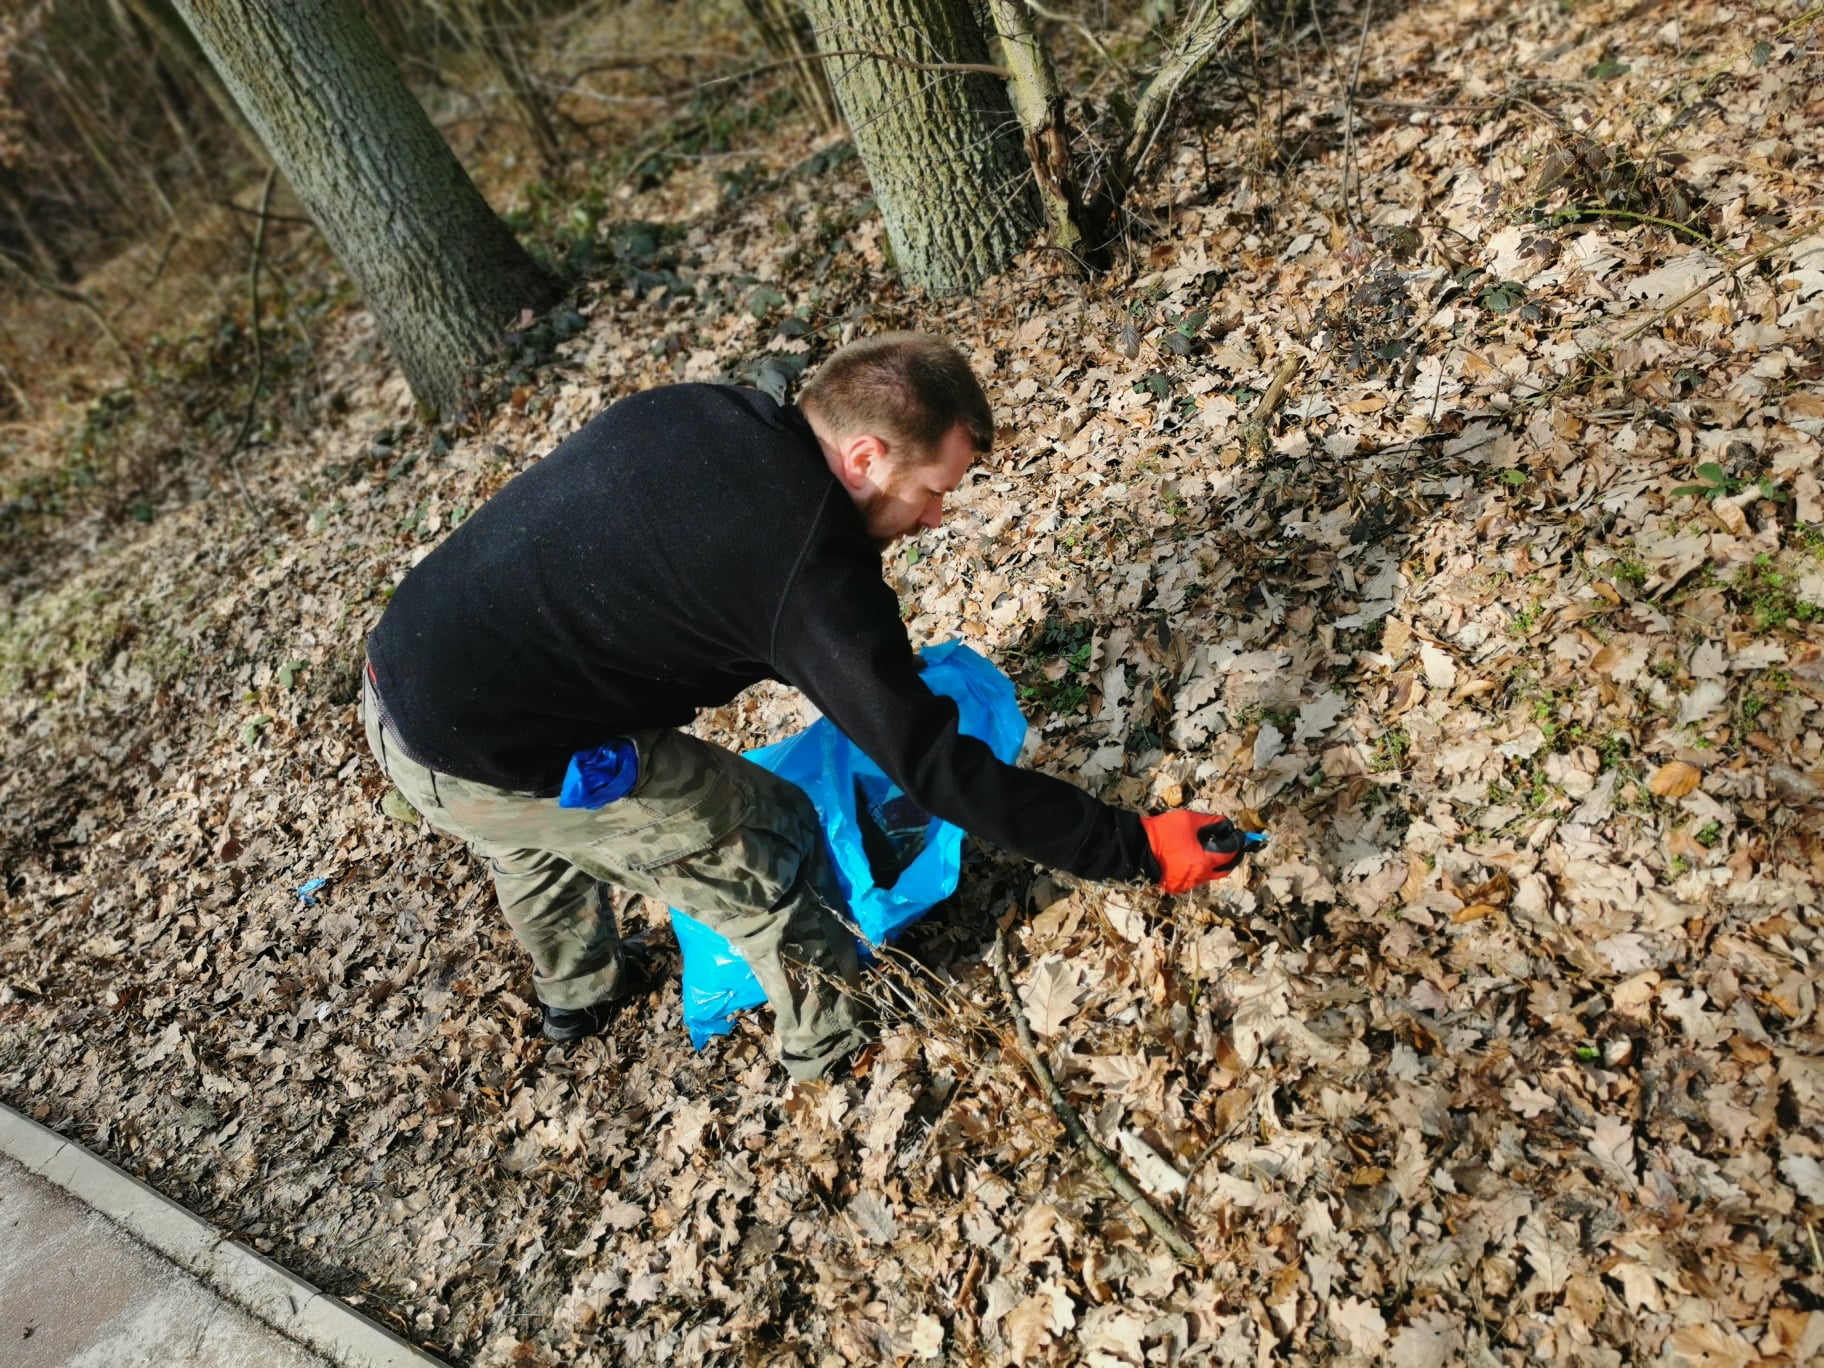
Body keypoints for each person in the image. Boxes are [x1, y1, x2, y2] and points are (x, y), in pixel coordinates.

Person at [359, 333, 1241, 1082]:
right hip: (487, 751)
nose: (934, 518)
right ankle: (831, 1045)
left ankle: (577, 996)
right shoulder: (806, 570)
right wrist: (1135, 849)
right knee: (765, 833)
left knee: (537, 827)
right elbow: (934, 766)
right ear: (864, 458)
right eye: (933, 489)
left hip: (404, 686)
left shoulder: (712, 411)